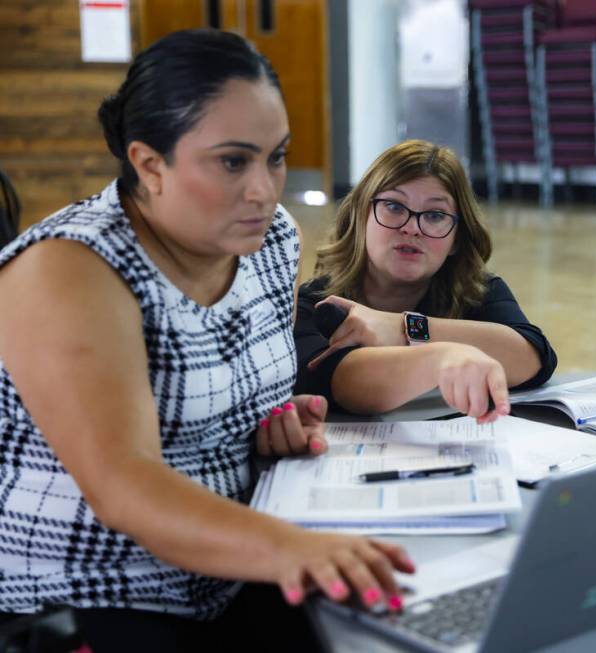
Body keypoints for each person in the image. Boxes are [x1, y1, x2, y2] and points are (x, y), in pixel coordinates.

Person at [0, 29, 411, 652]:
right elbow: (123, 487)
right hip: (87, 589)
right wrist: (291, 548)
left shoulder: (270, 238)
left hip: (227, 565)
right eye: (232, 161)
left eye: (275, 157)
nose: (264, 189)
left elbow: (217, 392)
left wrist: (269, 419)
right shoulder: (72, 268)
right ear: (148, 164)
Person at [294, 139, 557, 420]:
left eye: (434, 215)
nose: (411, 228)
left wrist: (403, 328)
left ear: (457, 238)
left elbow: (532, 358)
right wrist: (440, 358)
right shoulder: (317, 302)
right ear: (361, 217)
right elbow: (339, 380)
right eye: (394, 207)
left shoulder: (477, 291)